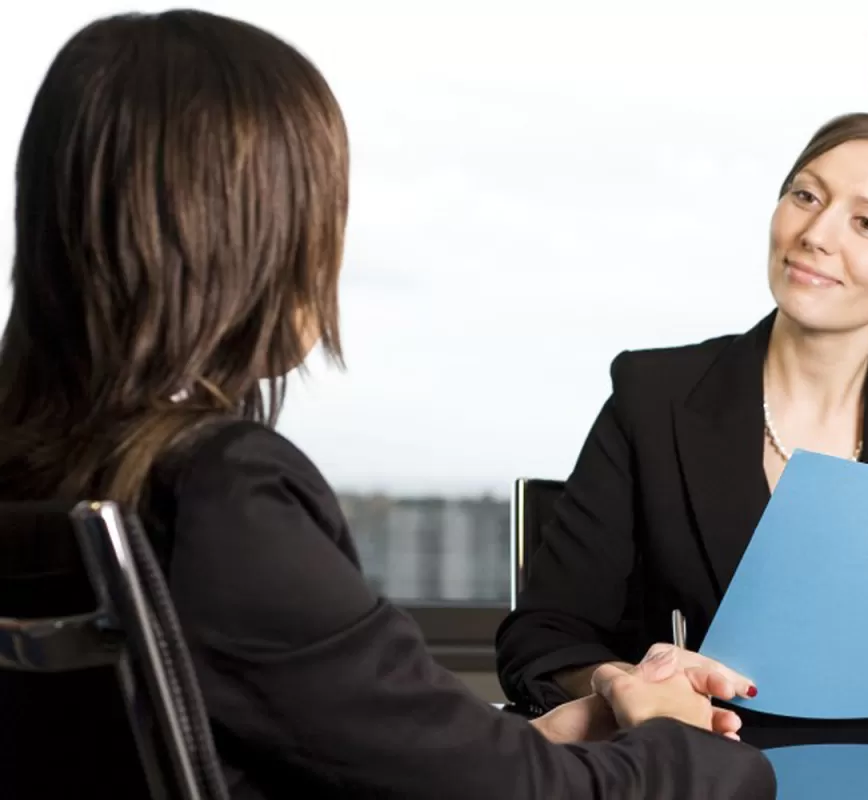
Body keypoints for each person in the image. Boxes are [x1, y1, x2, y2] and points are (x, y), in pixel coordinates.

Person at [0, 10, 775, 799]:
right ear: (251, 233)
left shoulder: (44, 476)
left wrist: (541, 737)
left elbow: (353, 749)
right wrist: (686, 748)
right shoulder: (218, 497)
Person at [495, 111, 868, 733]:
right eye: (806, 196)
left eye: (867, 223)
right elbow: (541, 636)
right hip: (704, 774)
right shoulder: (653, 395)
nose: (816, 233)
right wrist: (619, 682)